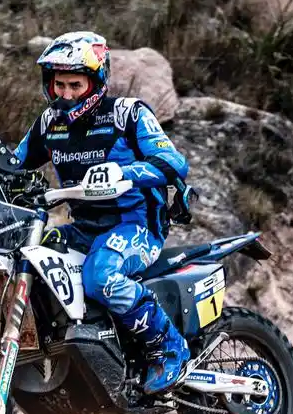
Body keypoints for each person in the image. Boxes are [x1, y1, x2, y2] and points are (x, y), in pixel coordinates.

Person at [13, 30, 192, 395]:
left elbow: (174, 162)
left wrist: (125, 173)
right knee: (32, 260)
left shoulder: (127, 114)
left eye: (75, 85)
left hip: (136, 225)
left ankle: (169, 348)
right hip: (83, 228)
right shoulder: (49, 123)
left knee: (101, 277)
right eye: (59, 84)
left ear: (95, 82)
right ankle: (71, 350)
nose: (66, 94)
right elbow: (14, 166)